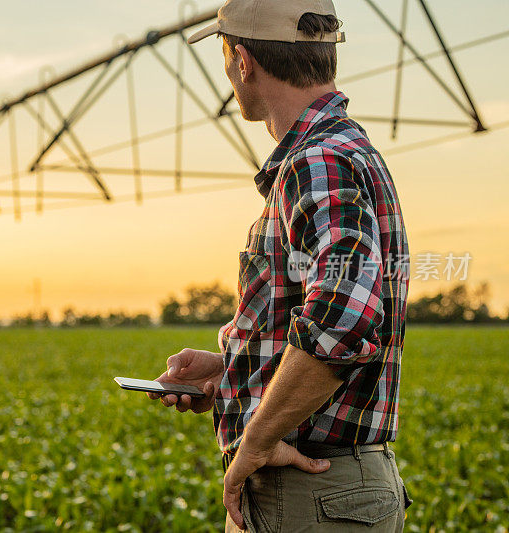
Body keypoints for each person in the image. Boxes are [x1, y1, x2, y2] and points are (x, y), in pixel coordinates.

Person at [147, 0, 412, 530]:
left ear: (243, 61)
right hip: (328, 492)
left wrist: (256, 441)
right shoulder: (341, 150)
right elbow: (335, 313)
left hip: (310, 491)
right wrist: (235, 369)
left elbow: (341, 320)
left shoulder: (316, 161)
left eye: (225, 57)